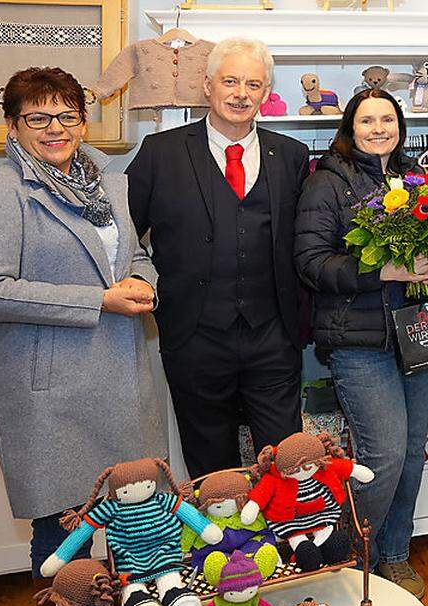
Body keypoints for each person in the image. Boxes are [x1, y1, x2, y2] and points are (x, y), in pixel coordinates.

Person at [0, 67, 166, 606]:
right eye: (37, 117)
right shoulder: (6, 190)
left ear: (82, 120)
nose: (54, 129)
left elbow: (136, 253)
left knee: (132, 521)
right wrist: (98, 300)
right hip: (50, 391)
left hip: (123, 376)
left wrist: (143, 281)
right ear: (12, 125)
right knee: (61, 532)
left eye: (67, 115)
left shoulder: (108, 183)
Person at [294, 88, 428, 599]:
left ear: (401, 126)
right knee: (381, 455)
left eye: (388, 119)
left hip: (419, 337)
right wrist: (378, 269)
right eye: (368, 120)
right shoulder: (326, 183)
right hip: (360, 344)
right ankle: (344, 555)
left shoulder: (418, 181)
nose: (379, 128)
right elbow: (312, 263)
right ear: (350, 127)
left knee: (410, 453)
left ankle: (395, 554)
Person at [127, 37, 310, 477]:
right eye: (230, 81)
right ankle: (222, 548)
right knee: (212, 473)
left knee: (288, 462)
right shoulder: (160, 153)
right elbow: (121, 233)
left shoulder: (291, 156)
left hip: (273, 337)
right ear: (207, 85)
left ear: (266, 94)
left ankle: (287, 547)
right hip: (194, 337)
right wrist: (139, 280)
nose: (241, 93)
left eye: (253, 83)